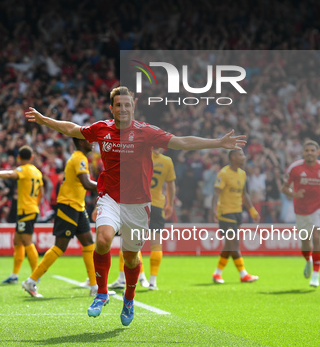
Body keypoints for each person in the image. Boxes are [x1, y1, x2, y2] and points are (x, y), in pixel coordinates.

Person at [25, 86, 246, 326]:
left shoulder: (146, 132)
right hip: (110, 197)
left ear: (133, 106)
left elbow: (181, 142)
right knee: (102, 240)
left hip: (139, 205)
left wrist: (218, 142)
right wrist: (44, 120)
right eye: (119, 105)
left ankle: (129, 299)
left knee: (130, 258)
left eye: (127, 104)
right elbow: (72, 129)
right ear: (112, 108)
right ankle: (101, 293)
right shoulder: (102, 129)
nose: (123, 109)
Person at [23, 138, 98, 297]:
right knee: (60, 246)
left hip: (78, 206)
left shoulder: (80, 158)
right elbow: (86, 183)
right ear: (82, 142)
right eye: (89, 140)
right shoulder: (79, 158)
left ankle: (94, 287)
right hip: (68, 205)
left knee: (88, 243)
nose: (93, 142)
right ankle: (31, 281)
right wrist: (109, 186)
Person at [108, 147, 176, 291]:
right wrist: (170, 203)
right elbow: (170, 184)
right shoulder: (167, 161)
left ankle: (122, 278)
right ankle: (152, 282)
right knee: (156, 244)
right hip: (157, 204)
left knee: (128, 239)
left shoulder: (138, 157)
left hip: (139, 203)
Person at [0, 146, 43, 284]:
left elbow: (11, 174)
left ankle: (36, 274)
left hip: (26, 211)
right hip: (30, 209)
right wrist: (35, 204)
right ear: (32, 157)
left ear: (19, 158)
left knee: (27, 241)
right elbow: (41, 190)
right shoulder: (37, 172)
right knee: (17, 241)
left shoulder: (24, 169)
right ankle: (14, 276)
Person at [281, 140, 320, 287]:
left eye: (312, 150)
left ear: (318, 152)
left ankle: (316, 275)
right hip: (301, 210)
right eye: (307, 150)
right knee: (305, 242)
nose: (309, 153)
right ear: (303, 153)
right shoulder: (295, 168)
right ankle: (309, 260)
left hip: (319, 207)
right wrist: (295, 194)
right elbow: (284, 188)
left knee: (316, 237)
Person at [211, 150, 260, 284]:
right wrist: (213, 210)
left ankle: (217, 274)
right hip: (226, 212)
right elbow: (216, 193)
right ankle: (243, 274)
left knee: (228, 245)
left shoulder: (242, 174)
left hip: (237, 212)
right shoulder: (224, 173)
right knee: (235, 244)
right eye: (241, 155)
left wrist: (252, 211)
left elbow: (245, 194)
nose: (244, 157)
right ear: (233, 157)